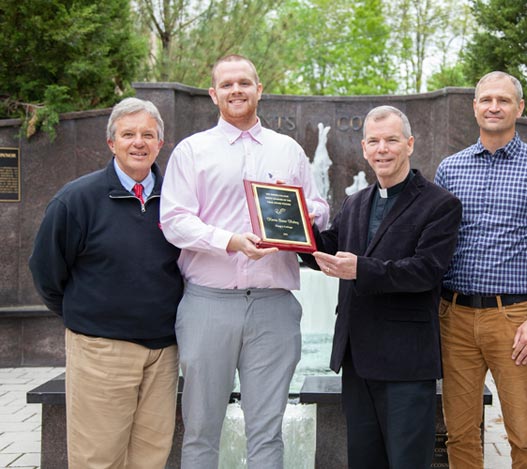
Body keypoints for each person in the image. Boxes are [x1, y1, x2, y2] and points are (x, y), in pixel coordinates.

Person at [159, 54, 329, 469]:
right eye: (228, 84)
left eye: (245, 83)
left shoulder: (287, 150)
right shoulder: (192, 151)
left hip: (273, 306)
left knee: (267, 433)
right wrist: (230, 241)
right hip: (208, 303)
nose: (237, 90)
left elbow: (320, 209)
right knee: (200, 431)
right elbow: (174, 222)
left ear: (259, 89)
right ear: (214, 94)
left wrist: (295, 223)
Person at [301, 105, 462, 469]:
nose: (382, 149)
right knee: (363, 461)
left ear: (409, 144)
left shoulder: (440, 204)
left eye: (391, 140)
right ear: (363, 148)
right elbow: (327, 248)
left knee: (407, 462)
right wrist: (295, 232)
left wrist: (362, 268)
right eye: (373, 141)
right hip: (357, 358)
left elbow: (426, 271)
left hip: (405, 362)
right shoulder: (357, 201)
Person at [28, 97, 183, 468]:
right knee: (98, 459)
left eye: (148, 134)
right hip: (102, 350)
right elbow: (47, 272)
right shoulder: (76, 200)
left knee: (151, 457)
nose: (138, 142)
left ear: (160, 143)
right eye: (128, 134)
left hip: (163, 353)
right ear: (111, 143)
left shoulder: (179, 199)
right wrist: (89, 320)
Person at [434, 71, 527, 468]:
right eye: (487, 99)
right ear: (474, 107)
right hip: (454, 316)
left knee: (524, 434)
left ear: (520, 108)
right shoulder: (450, 169)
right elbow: (439, 243)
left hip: (514, 320)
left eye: (504, 100)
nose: (494, 106)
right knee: (459, 433)